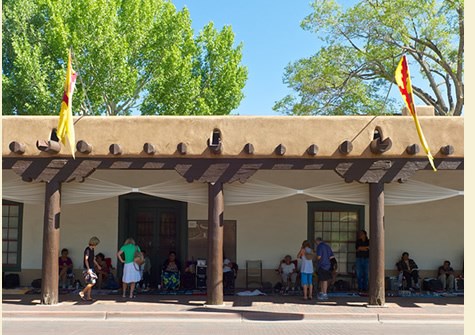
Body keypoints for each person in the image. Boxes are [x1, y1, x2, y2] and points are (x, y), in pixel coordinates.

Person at [79, 237, 101, 301]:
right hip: (88, 268)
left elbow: (93, 259)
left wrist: (97, 265)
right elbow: (86, 259)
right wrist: (88, 269)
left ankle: (88, 297)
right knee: (93, 282)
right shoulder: (87, 250)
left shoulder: (92, 250)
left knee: (90, 282)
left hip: (91, 267)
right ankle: (82, 292)